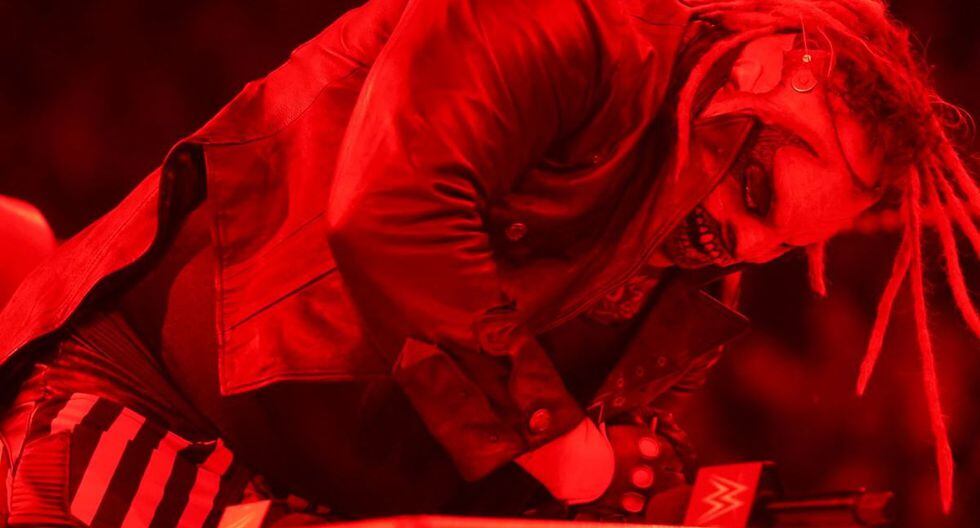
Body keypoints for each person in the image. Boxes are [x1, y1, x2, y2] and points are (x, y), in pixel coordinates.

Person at [0, 0, 976, 525]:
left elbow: (572, 480)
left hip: (311, 507)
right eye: (754, 193)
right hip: (132, 424)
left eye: (786, 246)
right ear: (740, 74)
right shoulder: (556, 19)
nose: (747, 246)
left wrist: (645, 492)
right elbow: (392, 216)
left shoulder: (689, 257)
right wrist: (558, 441)